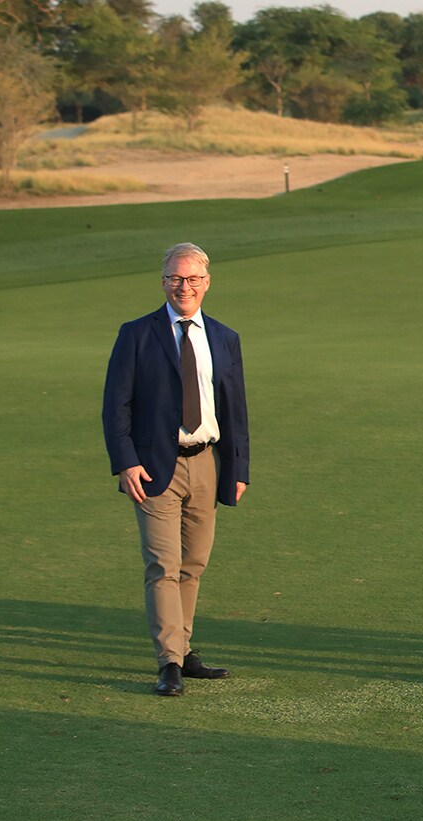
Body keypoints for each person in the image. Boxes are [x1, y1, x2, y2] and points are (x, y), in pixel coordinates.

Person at [103, 243, 249, 697]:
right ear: (163, 281)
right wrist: (126, 461)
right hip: (152, 468)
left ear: (207, 282)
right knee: (163, 565)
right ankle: (168, 661)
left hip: (206, 462)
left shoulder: (224, 337)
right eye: (174, 278)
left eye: (191, 279)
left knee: (193, 563)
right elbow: (116, 406)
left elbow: (234, 407)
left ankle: (183, 652)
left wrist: (238, 468)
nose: (182, 287)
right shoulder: (136, 334)